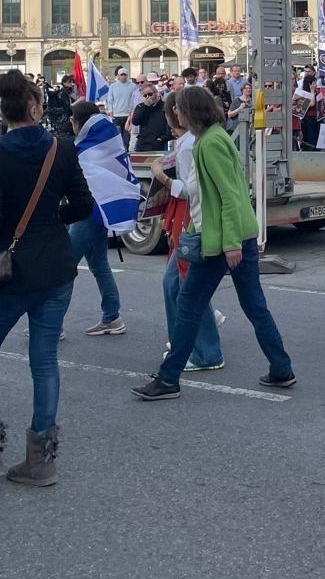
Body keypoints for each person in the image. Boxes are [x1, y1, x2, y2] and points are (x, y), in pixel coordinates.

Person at [0, 71, 95, 488]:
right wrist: (50, 222)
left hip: (12, 272)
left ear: (2, 112)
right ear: (34, 107)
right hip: (57, 267)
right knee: (44, 359)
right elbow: (83, 205)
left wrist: (12, 237)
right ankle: (40, 462)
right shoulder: (62, 149)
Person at [132, 86, 295, 400]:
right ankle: (281, 368)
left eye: (178, 108)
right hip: (229, 236)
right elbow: (216, 193)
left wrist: (230, 242)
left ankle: (168, 379)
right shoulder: (214, 138)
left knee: (189, 306)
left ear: (189, 111)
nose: (175, 113)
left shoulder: (208, 143)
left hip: (220, 240)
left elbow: (228, 195)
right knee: (253, 306)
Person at [155, 91, 224, 371]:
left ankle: (202, 349)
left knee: (183, 285)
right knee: (179, 284)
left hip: (193, 221)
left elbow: (189, 189)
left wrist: (161, 177)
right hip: (196, 221)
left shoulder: (192, 145)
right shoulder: (199, 140)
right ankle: (189, 342)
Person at [69, 100, 129, 337]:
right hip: (102, 211)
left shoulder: (86, 149)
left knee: (64, 267)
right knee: (100, 266)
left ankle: (51, 325)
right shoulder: (106, 144)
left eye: (73, 120)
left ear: (79, 123)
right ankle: (112, 317)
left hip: (87, 213)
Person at [106, 67, 140, 133]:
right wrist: (110, 111)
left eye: (125, 75)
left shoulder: (133, 86)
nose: (123, 76)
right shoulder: (113, 86)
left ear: (127, 75)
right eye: (122, 75)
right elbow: (110, 100)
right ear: (118, 76)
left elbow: (136, 100)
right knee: (117, 135)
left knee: (127, 137)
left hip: (128, 115)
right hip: (116, 115)